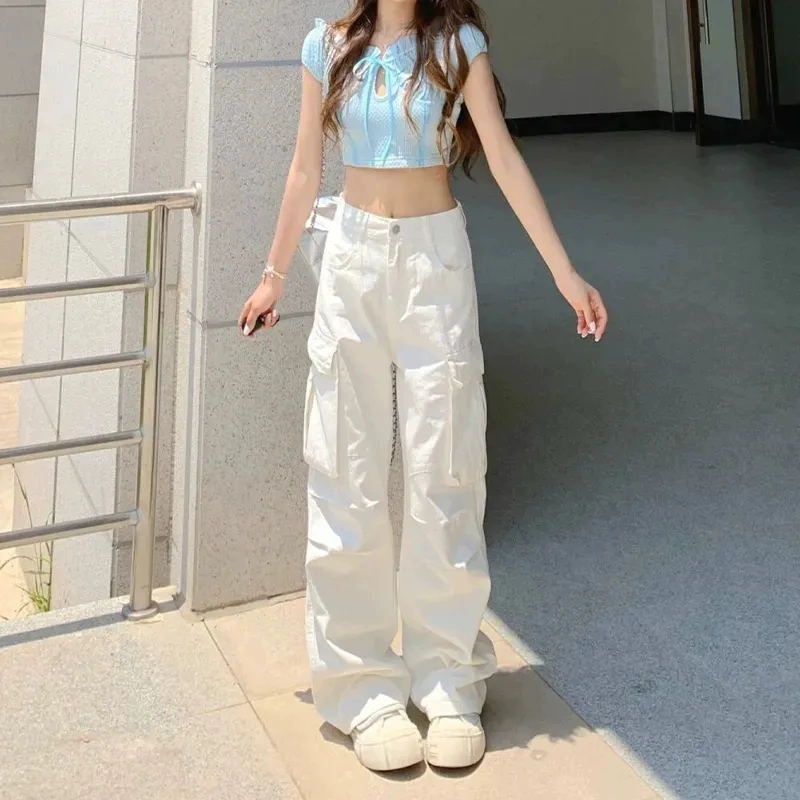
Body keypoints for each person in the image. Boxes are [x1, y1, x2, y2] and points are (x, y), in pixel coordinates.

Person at [239, 0, 608, 774]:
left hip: (435, 262)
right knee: (345, 472)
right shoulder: (325, 46)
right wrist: (273, 274)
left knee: (446, 470)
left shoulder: (458, 45)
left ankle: (448, 679)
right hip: (352, 259)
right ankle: (361, 689)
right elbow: (305, 168)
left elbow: (502, 156)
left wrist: (564, 271)